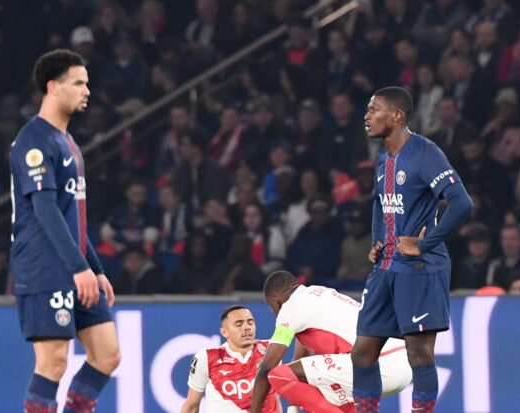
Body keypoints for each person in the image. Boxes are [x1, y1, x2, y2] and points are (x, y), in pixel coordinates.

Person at [9, 49, 120, 413]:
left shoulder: (69, 143)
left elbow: (72, 218)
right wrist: (79, 268)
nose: (87, 91)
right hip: (43, 266)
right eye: (79, 83)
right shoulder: (34, 141)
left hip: (74, 265)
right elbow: (44, 209)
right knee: (53, 362)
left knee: (107, 354)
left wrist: (96, 269)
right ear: (54, 87)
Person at [352, 86, 473, 412]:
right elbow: (380, 202)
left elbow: (462, 203)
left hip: (419, 268)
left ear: (397, 115)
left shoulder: (425, 152)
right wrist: (378, 240)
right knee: (362, 352)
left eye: (374, 109)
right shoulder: (382, 156)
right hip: (387, 265)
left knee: (418, 354)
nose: (367, 116)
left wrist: (426, 243)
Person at [250, 271, 411, 413]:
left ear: (277, 301)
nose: (274, 312)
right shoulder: (320, 294)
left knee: (278, 375)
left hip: (379, 363)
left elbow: (267, 368)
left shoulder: (289, 309)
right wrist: (293, 409)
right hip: (401, 363)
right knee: (324, 388)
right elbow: (300, 366)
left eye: (271, 306)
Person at [181, 305, 281, 413]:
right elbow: (191, 406)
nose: (247, 327)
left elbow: (275, 398)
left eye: (250, 323)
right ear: (224, 332)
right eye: (239, 324)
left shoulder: (271, 350)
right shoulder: (207, 357)